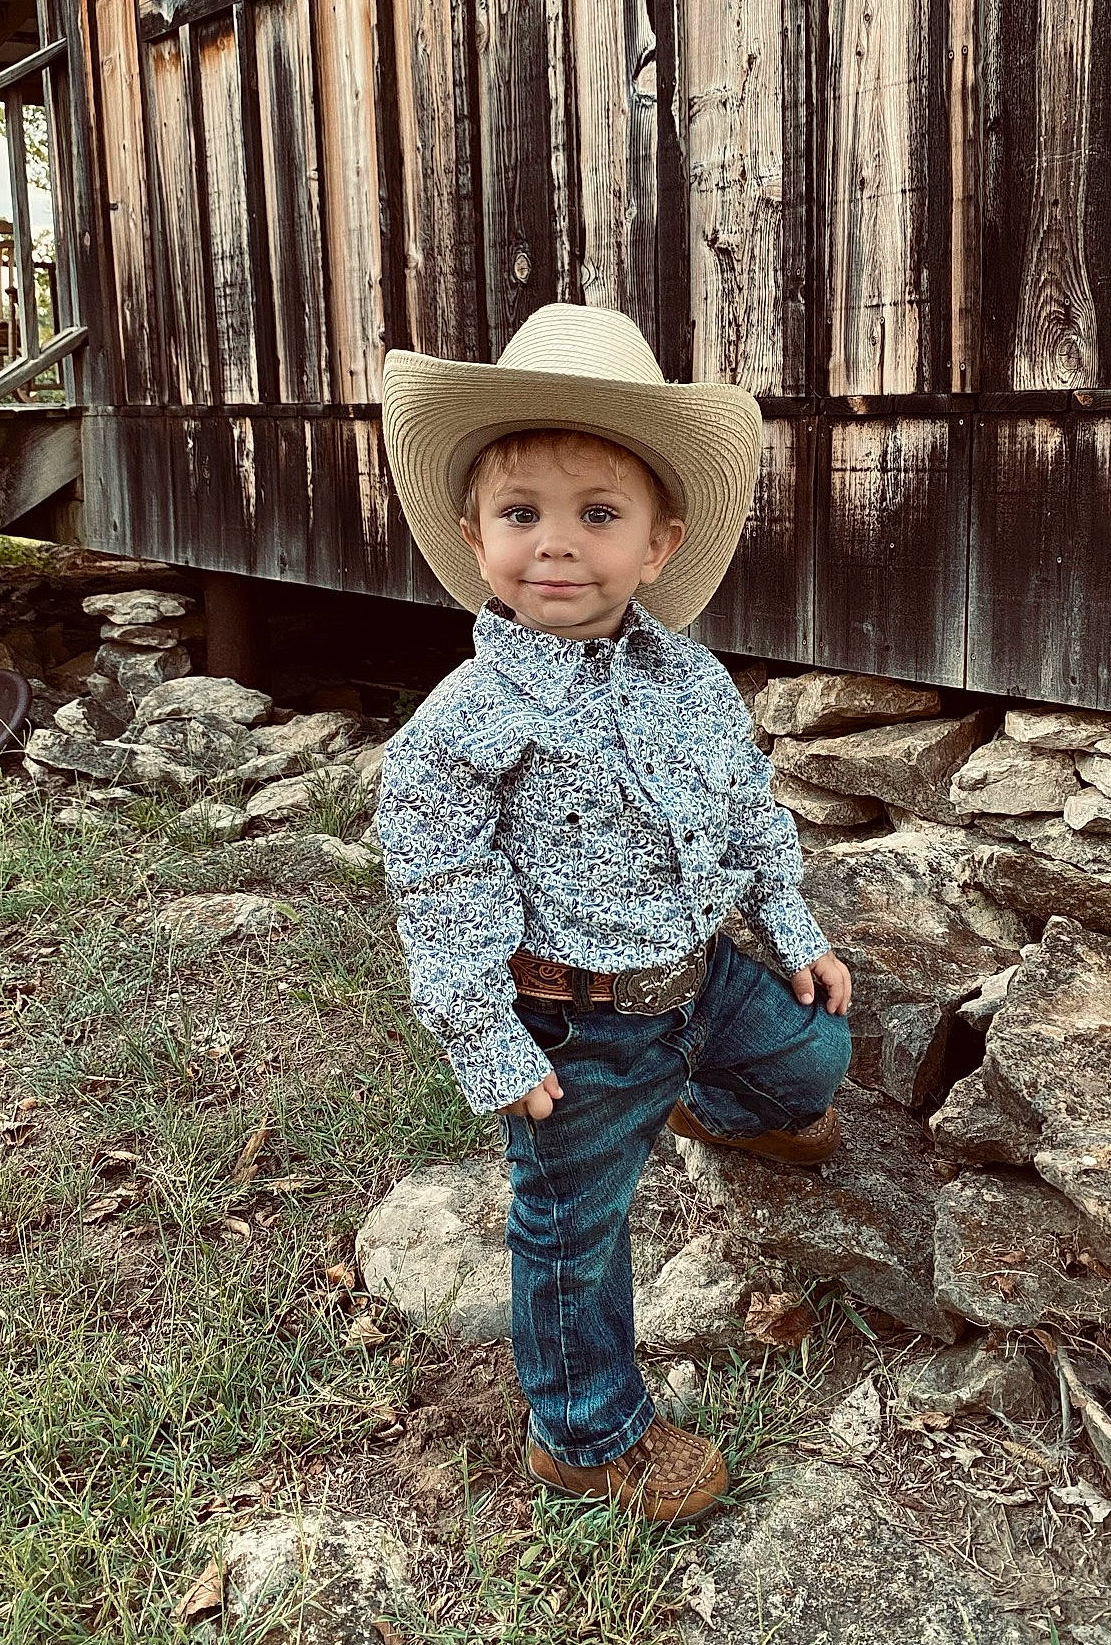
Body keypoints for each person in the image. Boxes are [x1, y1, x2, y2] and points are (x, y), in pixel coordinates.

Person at [375, 302, 852, 1523]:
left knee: (818, 1054)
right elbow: (439, 881)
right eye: (521, 513)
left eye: (599, 514)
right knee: (574, 1230)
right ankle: (585, 1433)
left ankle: (722, 1101)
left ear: (658, 541)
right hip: (573, 1026)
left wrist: (789, 927)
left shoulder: (690, 676)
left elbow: (745, 807)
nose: (557, 545)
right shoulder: (468, 718)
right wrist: (486, 1034)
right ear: (477, 536)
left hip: (700, 977)